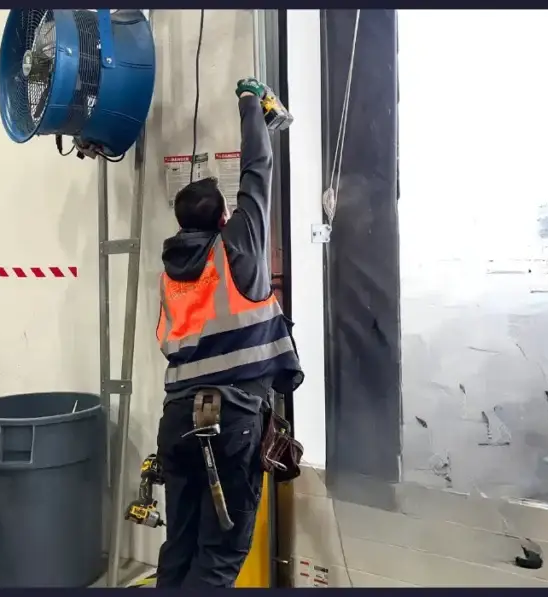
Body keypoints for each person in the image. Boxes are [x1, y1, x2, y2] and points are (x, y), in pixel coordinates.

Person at [154, 77, 304, 588]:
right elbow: (256, 171)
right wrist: (250, 103)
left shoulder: (170, 274)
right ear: (223, 218)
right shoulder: (235, 247)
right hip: (230, 420)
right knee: (219, 554)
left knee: (180, 546)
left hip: (178, 421)